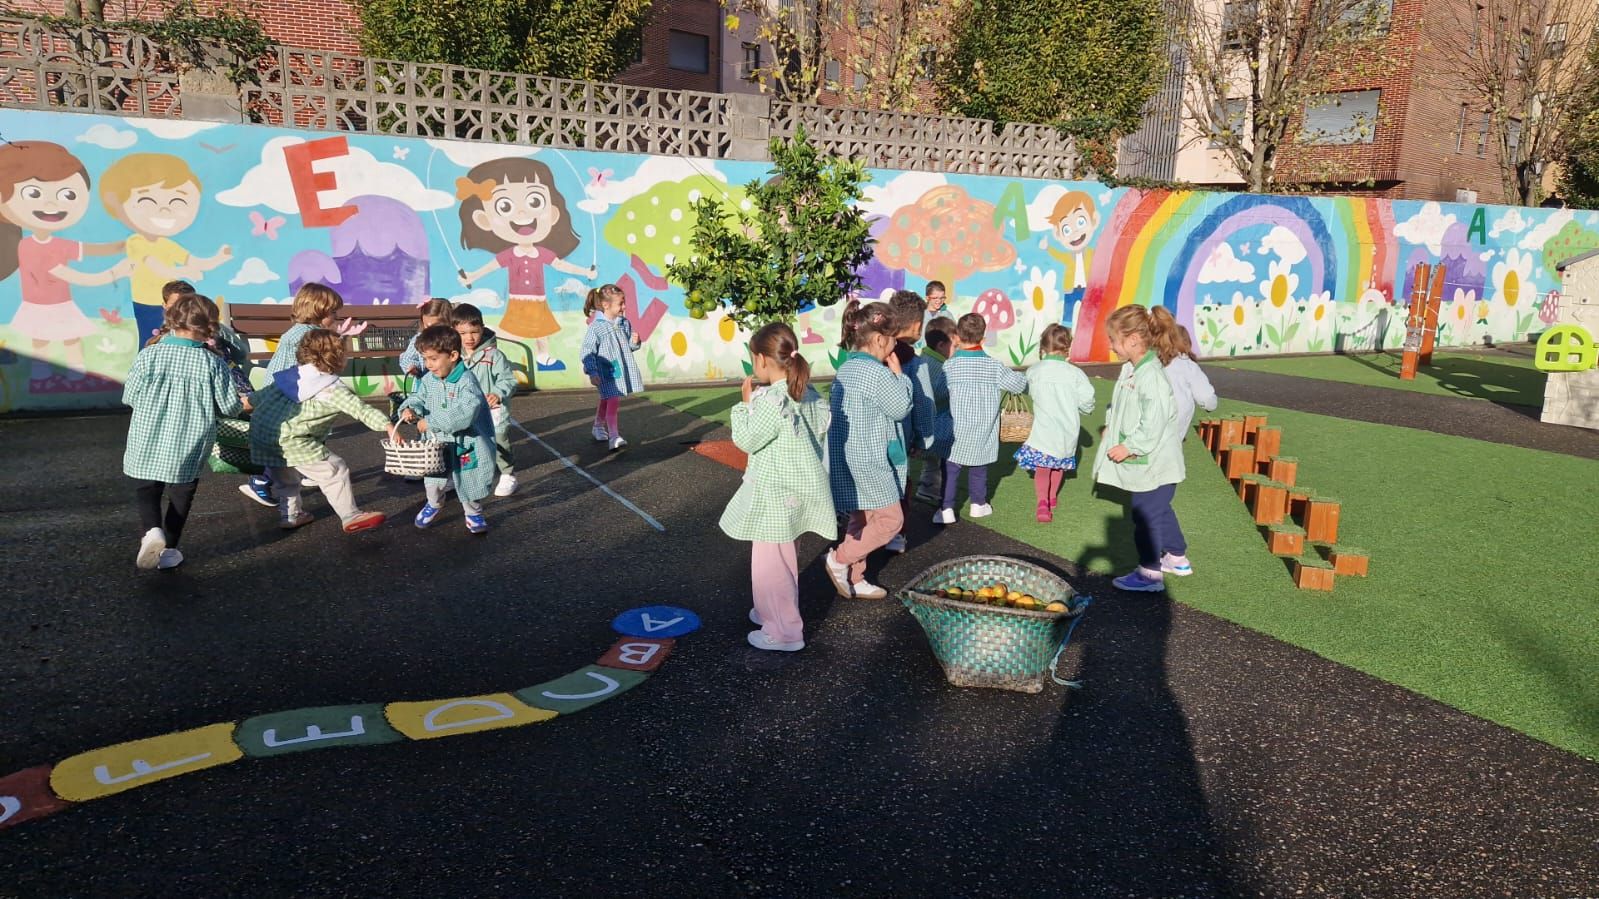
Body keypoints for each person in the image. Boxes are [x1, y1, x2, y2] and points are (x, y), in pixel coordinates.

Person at [720, 322, 835, 652]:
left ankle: (784, 632)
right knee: (782, 560)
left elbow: (747, 440)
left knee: (771, 566)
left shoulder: (771, 400)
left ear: (760, 359)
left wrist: (744, 405)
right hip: (797, 492)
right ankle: (768, 611)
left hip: (775, 494)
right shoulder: (808, 394)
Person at [122, 293, 245, 570]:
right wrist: (243, 403)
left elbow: (130, 396)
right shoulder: (212, 362)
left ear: (171, 319)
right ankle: (169, 551)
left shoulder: (149, 355)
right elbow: (229, 407)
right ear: (209, 326)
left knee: (146, 487)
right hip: (190, 440)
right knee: (181, 493)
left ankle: (151, 531)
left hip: (147, 436)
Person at [455, 157, 597, 371]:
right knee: (515, 331)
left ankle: (543, 357)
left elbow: (560, 265)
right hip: (519, 300)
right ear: (484, 219)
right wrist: (472, 276)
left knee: (542, 330)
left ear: (553, 214)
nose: (522, 214)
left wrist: (585, 271)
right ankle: (488, 332)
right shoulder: (510, 254)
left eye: (534, 202)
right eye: (505, 206)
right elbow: (491, 267)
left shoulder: (542, 253)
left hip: (538, 299)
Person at [247, 330, 395, 533]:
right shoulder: (332, 388)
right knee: (334, 470)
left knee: (286, 480)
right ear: (337, 357)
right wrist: (387, 425)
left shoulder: (291, 376)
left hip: (262, 434)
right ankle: (350, 515)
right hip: (293, 440)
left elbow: (257, 398)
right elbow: (361, 410)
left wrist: (235, 407)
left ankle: (291, 516)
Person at [1092, 305, 1184, 593]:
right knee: (1157, 508)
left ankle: (1149, 574)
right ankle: (1177, 557)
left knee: (1145, 515)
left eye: (1114, 340)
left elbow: (1153, 423)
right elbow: (1122, 406)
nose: (1111, 345)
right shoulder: (1132, 369)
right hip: (1150, 460)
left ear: (1132, 339)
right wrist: (1111, 426)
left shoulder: (1150, 376)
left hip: (1154, 459)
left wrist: (1130, 446)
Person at [825, 300, 912, 600]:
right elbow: (900, 408)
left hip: (848, 456)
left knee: (861, 518)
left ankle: (855, 577)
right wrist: (900, 377)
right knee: (891, 520)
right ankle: (840, 559)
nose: (896, 345)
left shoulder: (846, 368)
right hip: (870, 459)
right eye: (893, 339)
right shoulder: (878, 374)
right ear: (878, 339)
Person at [99, 153, 231, 342]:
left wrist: (218, 258)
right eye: (147, 201)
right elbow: (157, 266)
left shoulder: (167, 244)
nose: (164, 209)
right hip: (148, 302)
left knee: (177, 338)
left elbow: (194, 261)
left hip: (174, 302)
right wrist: (183, 271)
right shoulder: (137, 242)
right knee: (150, 340)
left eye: (177, 201)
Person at [399, 325, 497, 534]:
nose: (428, 365)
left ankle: (473, 513)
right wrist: (409, 409)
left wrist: (431, 421)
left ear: (453, 356)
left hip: (466, 443)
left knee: (469, 479)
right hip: (437, 443)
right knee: (433, 480)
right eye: (425, 359)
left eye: (433, 359)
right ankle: (434, 503)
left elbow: (466, 412)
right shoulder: (429, 380)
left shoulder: (466, 381)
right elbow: (418, 398)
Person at [935, 313, 1027, 524]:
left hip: (955, 429)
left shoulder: (949, 366)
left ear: (957, 337)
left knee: (950, 469)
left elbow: (939, 393)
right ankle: (978, 504)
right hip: (983, 429)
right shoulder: (994, 366)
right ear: (983, 338)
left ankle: (946, 509)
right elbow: (1018, 385)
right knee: (979, 468)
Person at [1150, 309, 1216, 576]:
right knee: (1155, 499)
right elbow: (1209, 401)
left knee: (1151, 502)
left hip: (1151, 441)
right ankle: (1168, 555)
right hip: (1170, 442)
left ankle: (1173, 555)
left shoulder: (1152, 364)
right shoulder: (1187, 367)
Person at [1014, 324, 1096, 523]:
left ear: (1043, 347)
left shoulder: (1034, 371)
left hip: (1043, 429)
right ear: (1067, 347)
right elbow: (1088, 400)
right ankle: (1052, 497)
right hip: (1067, 430)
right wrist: (1083, 409)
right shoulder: (1075, 373)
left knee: (1043, 467)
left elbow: (1026, 389)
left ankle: (1042, 502)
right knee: (1059, 465)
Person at [453, 302, 520, 496]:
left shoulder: (494, 355)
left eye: (474, 332)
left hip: (493, 410)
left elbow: (508, 380)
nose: (469, 338)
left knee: (499, 440)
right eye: (462, 333)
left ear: (482, 329)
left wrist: (498, 393)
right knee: (467, 442)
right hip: (467, 410)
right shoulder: (454, 356)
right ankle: (470, 475)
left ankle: (507, 474)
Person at [886, 289, 934, 553]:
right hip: (899, 437)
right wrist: (923, 438)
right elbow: (924, 405)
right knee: (899, 483)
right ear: (917, 325)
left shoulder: (874, 353)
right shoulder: (915, 363)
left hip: (867, 437)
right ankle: (896, 534)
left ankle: (864, 533)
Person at [580, 284, 643, 452]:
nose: (624, 306)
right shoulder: (596, 327)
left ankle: (597, 426)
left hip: (619, 370)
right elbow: (587, 351)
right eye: (620, 303)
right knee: (613, 399)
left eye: (624, 302)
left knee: (607, 399)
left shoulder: (624, 323)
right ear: (606, 305)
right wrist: (592, 372)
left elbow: (628, 347)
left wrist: (635, 342)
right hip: (604, 372)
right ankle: (614, 436)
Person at [913, 317, 954, 505]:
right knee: (938, 458)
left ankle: (926, 488)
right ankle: (932, 490)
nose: (955, 350)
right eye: (953, 345)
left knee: (931, 461)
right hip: (936, 419)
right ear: (941, 345)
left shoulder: (922, 359)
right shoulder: (940, 367)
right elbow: (939, 393)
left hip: (923, 419)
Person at [267, 282, 343, 375]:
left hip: (280, 381)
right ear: (318, 310)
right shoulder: (310, 335)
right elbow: (324, 363)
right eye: (333, 312)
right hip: (290, 382)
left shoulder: (300, 330)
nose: (337, 316)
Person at [397, 298, 454, 380]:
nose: (430, 330)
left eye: (435, 326)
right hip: (423, 381)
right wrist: (413, 366)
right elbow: (408, 358)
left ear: (448, 322)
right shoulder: (419, 339)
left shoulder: (452, 339)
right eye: (427, 326)